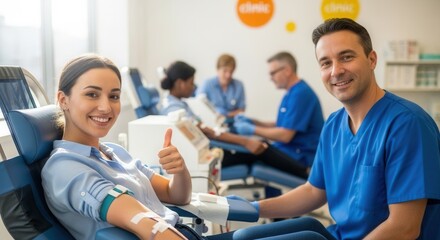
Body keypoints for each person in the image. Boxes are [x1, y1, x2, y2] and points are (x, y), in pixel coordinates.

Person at [40, 53, 334, 240]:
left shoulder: (115, 153)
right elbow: (146, 225)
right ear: (63, 100)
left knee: (311, 228)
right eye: (92, 94)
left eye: (114, 96)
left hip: (184, 232)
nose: (106, 107)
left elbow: (176, 195)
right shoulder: (66, 167)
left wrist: (179, 170)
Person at [247, 18, 440, 239]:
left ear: (372, 59)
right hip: (339, 235)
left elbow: (404, 228)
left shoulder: (407, 124)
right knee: (243, 236)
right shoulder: (333, 125)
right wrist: (253, 208)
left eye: (346, 57)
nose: (336, 71)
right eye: (325, 63)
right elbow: (314, 191)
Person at [160, 60, 312, 179]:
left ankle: (304, 172)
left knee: (260, 145)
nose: (194, 87)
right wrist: (245, 141)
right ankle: (305, 174)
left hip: (204, 151)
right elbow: (205, 132)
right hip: (199, 158)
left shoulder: (179, 104)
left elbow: (205, 130)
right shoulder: (174, 109)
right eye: (191, 82)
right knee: (260, 148)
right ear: (180, 83)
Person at [234, 51, 324, 170]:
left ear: (287, 70)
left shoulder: (300, 94)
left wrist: (252, 130)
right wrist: (253, 122)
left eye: (272, 73)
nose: (270, 78)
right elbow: (280, 124)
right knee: (256, 148)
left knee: (253, 151)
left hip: (301, 155)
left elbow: (285, 135)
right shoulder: (291, 92)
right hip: (290, 149)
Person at [195, 54, 246, 118]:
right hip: (212, 121)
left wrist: (225, 116)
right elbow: (199, 104)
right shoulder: (207, 84)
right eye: (225, 71)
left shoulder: (238, 85)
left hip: (233, 121)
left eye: (231, 71)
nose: (228, 75)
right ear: (218, 69)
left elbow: (241, 110)